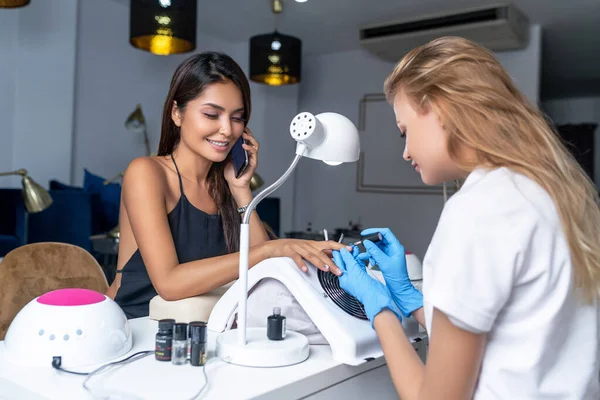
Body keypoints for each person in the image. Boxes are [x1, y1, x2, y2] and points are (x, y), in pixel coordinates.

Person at [333, 36, 600, 399]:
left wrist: (379, 310)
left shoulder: (479, 209)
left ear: (439, 107)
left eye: (404, 131)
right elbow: (509, 337)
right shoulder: (548, 192)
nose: (406, 151)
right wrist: (410, 299)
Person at [106, 52, 346, 318]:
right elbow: (169, 284)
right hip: (138, 329)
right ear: (177, 113)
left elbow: (264, 269)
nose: (227, 130)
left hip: (203, 330)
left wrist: (242, 190)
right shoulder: (147, 173)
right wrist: (269, 249)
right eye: (211, 114)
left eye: (237, 118)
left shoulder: (226, 186)